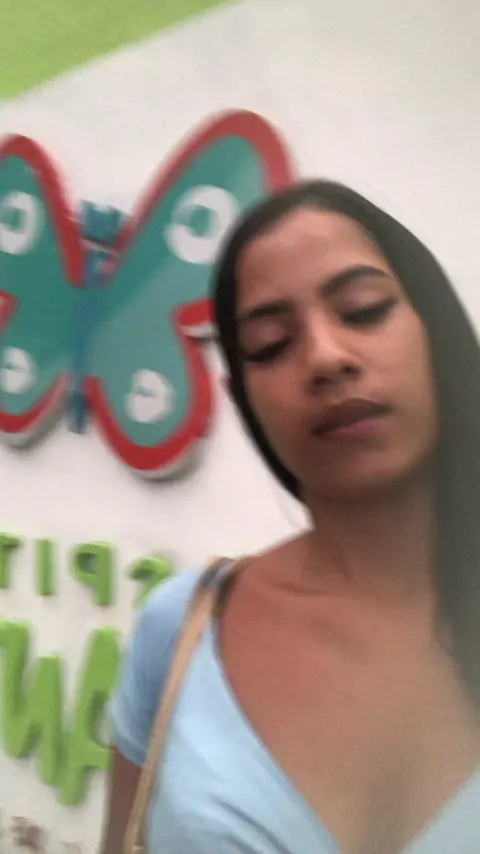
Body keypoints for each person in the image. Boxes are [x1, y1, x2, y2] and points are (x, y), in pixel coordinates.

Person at [102, 181, 480, 854]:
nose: (327, 357)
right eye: (271, 344)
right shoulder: (180, 630)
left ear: (434, 328)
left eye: (364, 309)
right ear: (245, 399)